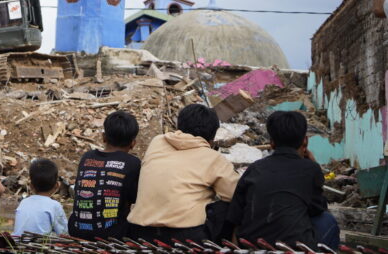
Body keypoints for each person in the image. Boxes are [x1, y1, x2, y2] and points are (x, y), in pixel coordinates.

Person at [127, 104, 239, 243]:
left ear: (179, 125)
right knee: (227, 207)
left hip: (140, 232)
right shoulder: (213, 158)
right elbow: (236, 194)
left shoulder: (157, 142)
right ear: (212, 136)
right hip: (186, 236)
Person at [227, 111, 340, 249]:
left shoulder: (255, 169)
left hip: (252, 245)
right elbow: (317, 208)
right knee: (327, 221)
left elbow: (236, 217)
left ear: (272, 143)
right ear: (305, 140)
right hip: (293, 247)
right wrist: (313, 165)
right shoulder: (310, 169)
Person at [68, 111, 141, 240]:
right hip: (111, 235)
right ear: (133, 143)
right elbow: (135, 198)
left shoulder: (87, 157)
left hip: (76, 230)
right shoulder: (133, 163)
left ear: (103, 137)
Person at [12, 158, 67, 236]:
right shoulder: (55, 205)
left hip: (18, 243)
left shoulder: (23, 202)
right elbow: (64, 233)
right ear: (56, 186)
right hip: (39, 246)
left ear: (31, 186)